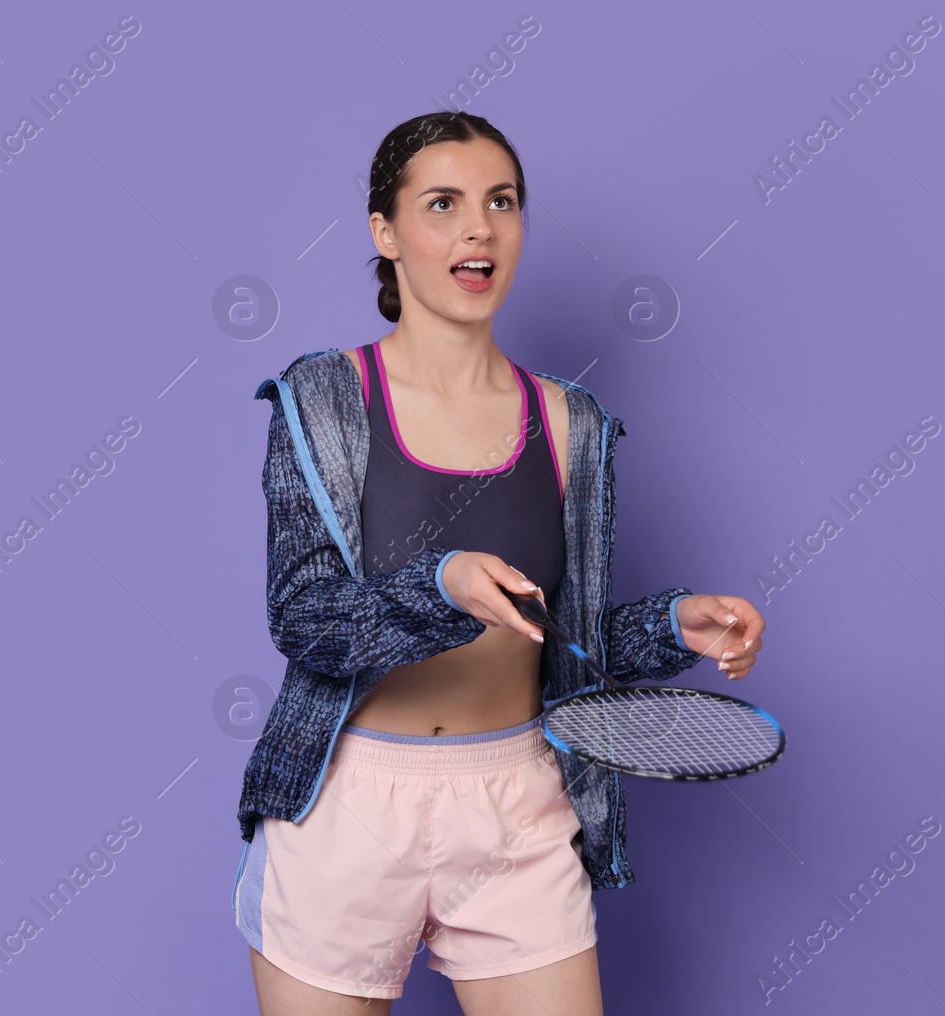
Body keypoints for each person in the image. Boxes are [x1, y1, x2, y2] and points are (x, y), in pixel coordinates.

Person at [232, 111, 766, 1015]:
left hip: (517, 803)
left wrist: (675, 624)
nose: (479, 227)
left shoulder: (573, 423)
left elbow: (570, 644)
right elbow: (305, 618)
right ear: (385, 233)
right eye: (443, 203)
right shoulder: (321, 399)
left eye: (502, 202)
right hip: (349, 800)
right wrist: (442, 585)